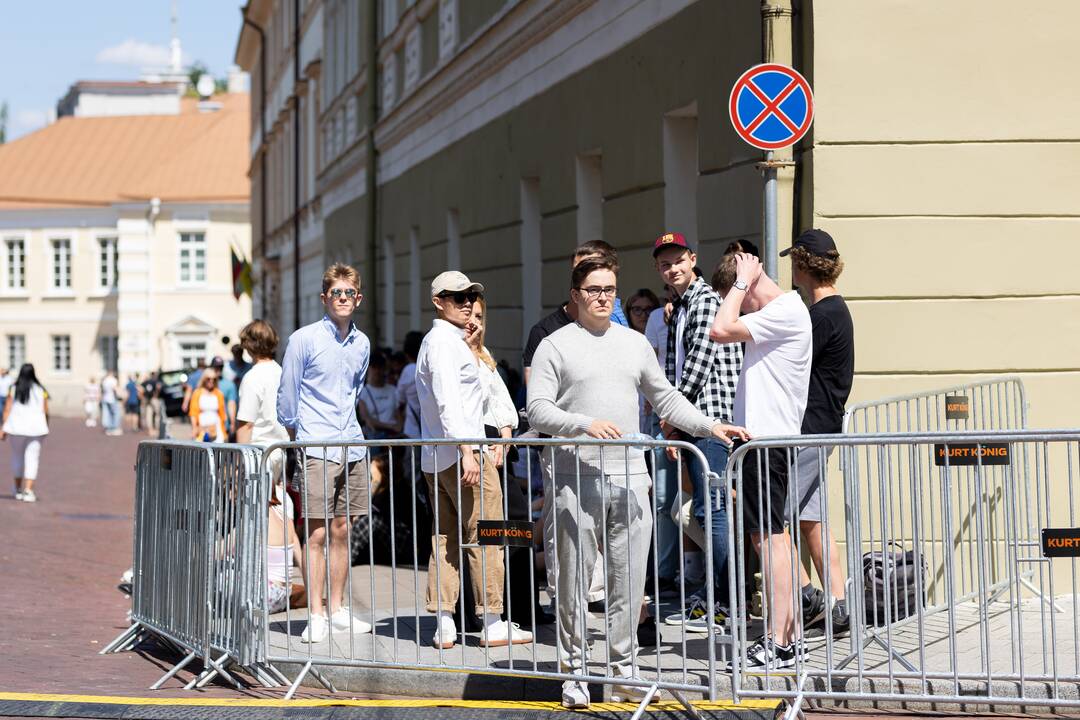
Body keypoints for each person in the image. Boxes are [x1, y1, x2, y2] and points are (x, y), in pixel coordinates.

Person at [527, 256, 749, 708]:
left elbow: (665, 396)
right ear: (575, 295)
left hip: (630, 479)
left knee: (629, 584)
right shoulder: (554, 345)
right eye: (593, 289)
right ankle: (574, 673)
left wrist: (710, 426)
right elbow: (537, 410)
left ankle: (623, 672)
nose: (603, 296)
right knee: (570, 583)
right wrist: (585, 423)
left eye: (609, 288)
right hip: (574, 476)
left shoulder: (634, 343)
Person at [416, 271, 532, 650]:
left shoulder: (449, 342)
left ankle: (445, 622)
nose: (466, 302)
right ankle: (492, 620)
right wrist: (467, 450)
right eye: (457, 296)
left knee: (446, 537)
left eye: (471, 296)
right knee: (486, 536)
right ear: (439, 301)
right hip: (464, 453)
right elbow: (450, 401)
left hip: (442, 455)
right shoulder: (444, 343)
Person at [712, 250, 812, 670]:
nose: (736, 303)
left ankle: (780, 641)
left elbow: (720, 328)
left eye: (738, 293)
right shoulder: (782, 313)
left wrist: (740, 282)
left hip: (768, 443)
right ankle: (787, 637)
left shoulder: (783, 311)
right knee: (772, 537)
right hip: (763, 443)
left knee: (769, 539)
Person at [277, 263, 374, 643]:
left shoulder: (362, 344)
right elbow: (288, 392)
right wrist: (296, 433)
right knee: (315, 533)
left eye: (349, 293)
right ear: (324, 298)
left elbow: (356, 390)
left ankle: (336, 608)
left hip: (351, 442)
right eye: (337, 293)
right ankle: (315, 612)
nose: (343, 299)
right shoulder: (303, 339)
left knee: (343, 530)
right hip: (316, 443)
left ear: (358, 298)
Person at [653, 232, 743, 632]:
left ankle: (725, 603)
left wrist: (672, 415)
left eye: (677, 260)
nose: (671, 268)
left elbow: (699, 364)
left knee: (713, 512)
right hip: (695, 421)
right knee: (701, 513)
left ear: (692, 259)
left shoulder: (704, 301)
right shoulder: (682, 305)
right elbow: (676, 365)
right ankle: (713, 597)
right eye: (664, 264)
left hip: (711, 420)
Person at [781, 229, 854, 634]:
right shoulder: (834, 311)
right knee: (811, 519)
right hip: (822, 426)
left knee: (770, 519)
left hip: (808, 428)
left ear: (803, 264)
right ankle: (840, 605)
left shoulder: (821, 316)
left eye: (794, 260)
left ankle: (809, 597)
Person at [236, 319, 291, 486]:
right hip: (280, 451)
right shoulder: (281, 372)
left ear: (249, 345)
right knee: (274, 505)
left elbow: (246, 425)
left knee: (260, 509)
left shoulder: (253, 377)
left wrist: (239, 463)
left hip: (258, 455)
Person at [1, 363, 50, 502]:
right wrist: (46, 425)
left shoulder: (14, 388)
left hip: (16, 428)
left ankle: (17, 489)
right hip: (36, 429)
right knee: (32, 458)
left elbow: (7, 409)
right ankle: (28, 490)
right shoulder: (41, 389)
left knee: (17, 457)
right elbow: (45, 410)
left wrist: (3, 427)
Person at [357, 351, 402, 441]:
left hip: (393, 438)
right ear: (368, 369)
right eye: (374, 367)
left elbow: (398, 414)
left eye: (380, 367)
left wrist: (400, 427)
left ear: (384, 369)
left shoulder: (393, 390)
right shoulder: (363, 392)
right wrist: (390, 426)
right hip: (375, 438)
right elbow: (366, 418)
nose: (377, 371)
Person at [396, 331, 424, 440]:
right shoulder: (428, 368)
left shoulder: (408, 370)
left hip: (412, 429)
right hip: (431, 430)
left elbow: (399, 399)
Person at [188, 369, 226, 442]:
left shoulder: (219, 393)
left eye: (214, 379)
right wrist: (194, 428)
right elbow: (193, 412)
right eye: (208, 379)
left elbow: (222, 414)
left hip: (216, 430)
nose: (211, 381)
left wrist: (224, 432)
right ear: (204, 379)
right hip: (201, 430)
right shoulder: (197, 393)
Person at [210, 357, 239, 442]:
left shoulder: (229, 385)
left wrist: (233, 423)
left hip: (223, 426)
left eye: (220, 367)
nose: (218, 369)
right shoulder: (205, 383)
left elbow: (231, 404)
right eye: (216, 367)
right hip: (207, 427)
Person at [141, 372, 162, 437]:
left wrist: (142, 395)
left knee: (149, 415)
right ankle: (156, 430)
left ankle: (150, 430)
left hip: (147, 399)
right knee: (157, 414)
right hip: (154, 398)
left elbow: (139, 387)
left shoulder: (147, 381)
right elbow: (159, 387)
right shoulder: (156, 381)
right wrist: (156, 394)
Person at [101, 371, 122, 436]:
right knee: (115, 414)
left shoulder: (104, 381)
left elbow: (103, 390)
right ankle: (114, 428)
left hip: (106, 398)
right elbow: (115, 389)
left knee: (108, 414)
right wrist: (120, 396)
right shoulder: (113, 380)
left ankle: (108, 429)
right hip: (112, 399)